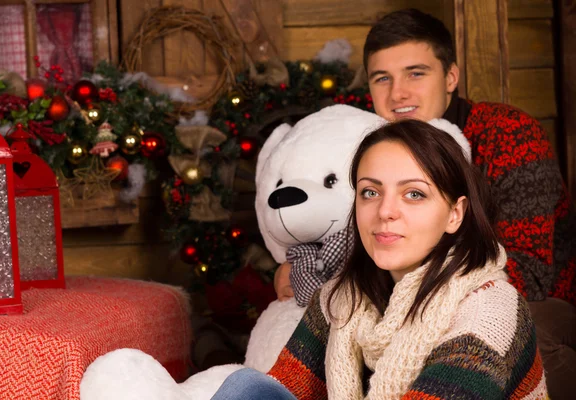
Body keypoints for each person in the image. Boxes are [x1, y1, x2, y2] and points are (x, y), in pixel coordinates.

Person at [273, 9, 576, 398]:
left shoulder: (506, 132)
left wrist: (407, 293)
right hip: (408, 284)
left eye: (416, 73)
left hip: (536, 298)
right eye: (383, 78)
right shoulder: (376, 146)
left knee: (503, 329)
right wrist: (305, 266)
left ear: (450, 76)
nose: (398, 93)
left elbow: (531, 273)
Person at [212, 119, 548, 399]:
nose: (385, 212)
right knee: (245, 388)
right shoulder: (338, 299)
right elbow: (282, 388)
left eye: (414, 194)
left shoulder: (490, 311)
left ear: (454, 214)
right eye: (370, 192)